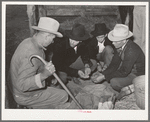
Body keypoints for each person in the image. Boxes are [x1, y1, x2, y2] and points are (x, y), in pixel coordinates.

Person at [9, 17, 70, 109]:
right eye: (52, 38)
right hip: (24, 95)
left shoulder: (30, 41)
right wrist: (44, 75)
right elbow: (22, 85)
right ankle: (35, 108)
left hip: (15, 85)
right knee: (64, 95)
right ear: (46, 36)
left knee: (63, 77)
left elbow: (36, 67)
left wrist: (48, 76)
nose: (53, 42)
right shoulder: (31, 54)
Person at [92, 24, 145, 94]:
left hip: (137, 74)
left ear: (124, 40)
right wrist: (102, 74)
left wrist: (104, 77)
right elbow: (114, 64)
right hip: (128, 69)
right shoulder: (119, 46)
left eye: (116, 41)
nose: (113, 43)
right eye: (113, 40)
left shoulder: (131, 50)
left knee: (114, 82)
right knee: (112, 75)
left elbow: (124, 71)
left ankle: (135, 87)